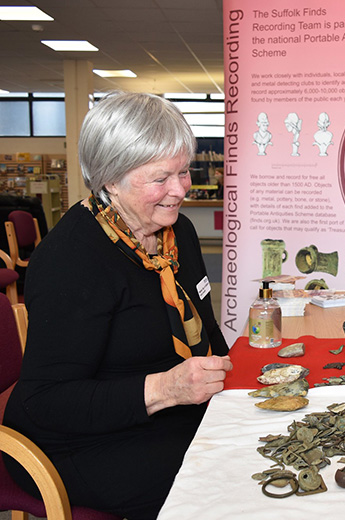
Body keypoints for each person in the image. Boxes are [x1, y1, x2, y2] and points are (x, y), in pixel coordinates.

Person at [3, 92, 232, 519]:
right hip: (80, 442)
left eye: (184, 172)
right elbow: (46, 402)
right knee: (219, 487)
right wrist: (164, 388)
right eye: (161, 178)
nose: (180, 190)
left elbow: (205, 325)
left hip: (164, 414)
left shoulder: (176, 232)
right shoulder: (71, 259)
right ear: (110, 179)